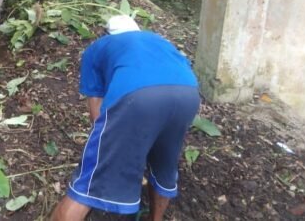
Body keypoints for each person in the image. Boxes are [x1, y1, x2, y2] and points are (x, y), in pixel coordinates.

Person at [51, 15, 200, 221]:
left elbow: (97, 107)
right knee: (163, 167)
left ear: (107, 34)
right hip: (188, 94)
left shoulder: (99, 47)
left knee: (87, 187)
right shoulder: (160, 41)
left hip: (138, 97)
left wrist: (106, 149)